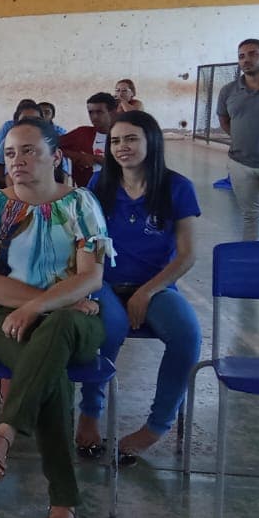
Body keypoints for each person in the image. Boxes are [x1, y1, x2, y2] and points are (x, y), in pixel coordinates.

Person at [0, 118, 110, 518]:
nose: (18, 161)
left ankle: (6, 430)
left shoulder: (81, 203)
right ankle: (63, 504)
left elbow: (92, 276)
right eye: (10, 153)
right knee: (52, 372)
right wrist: (49, 302)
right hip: (7, 319)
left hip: (74, 321)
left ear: (55, 156)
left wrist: (36, 307)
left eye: (29, 151)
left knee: (58, 332)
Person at [76, 111, 201, 464]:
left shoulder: (177, 187)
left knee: (187, 335)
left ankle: (156, 427)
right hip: (104, 282)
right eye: (116, 141)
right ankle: (90, 412)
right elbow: (86, 242)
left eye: (131, 139)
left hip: (156, 286)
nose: (122, 147)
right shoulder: (99, 185)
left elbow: (187, 255)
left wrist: (146, 292)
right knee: (111, 327)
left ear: (152, 142)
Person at [217, 37, 259, 240]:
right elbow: (224, 119)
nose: (246, 60)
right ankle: (250, 254)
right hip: (240, 163)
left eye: (252, 54)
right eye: (241, 56)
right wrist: (242, 139)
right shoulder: (228, 90)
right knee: (251, 215)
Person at [59, 92, 117, 189]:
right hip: (88, 193)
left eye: (99, 112)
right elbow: (51, 145)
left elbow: (125, 165)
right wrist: (76, 156)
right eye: (90, 112)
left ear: (112, 112)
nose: (94, 116)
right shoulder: (81, 133)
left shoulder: (124, 135)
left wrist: (95, 159)